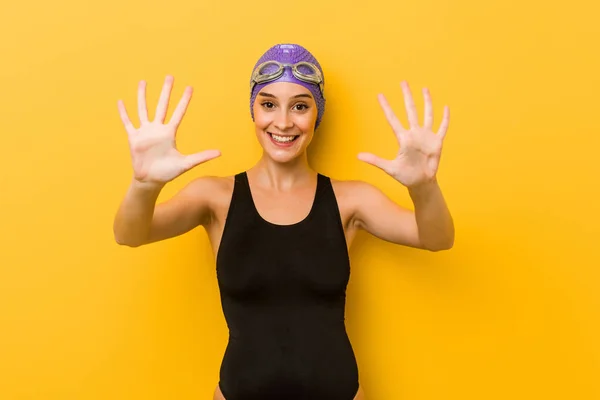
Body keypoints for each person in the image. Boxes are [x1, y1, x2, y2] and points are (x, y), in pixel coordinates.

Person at [113, 43, 454, 400]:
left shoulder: (350, 200)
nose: (284, 121)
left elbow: (437, 238)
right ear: (254, 111)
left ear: (316, 115)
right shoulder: (215, 197)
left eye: (301, 106)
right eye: (269, 104)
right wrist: (144, 185)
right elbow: (130, 234)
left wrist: (424, 187)